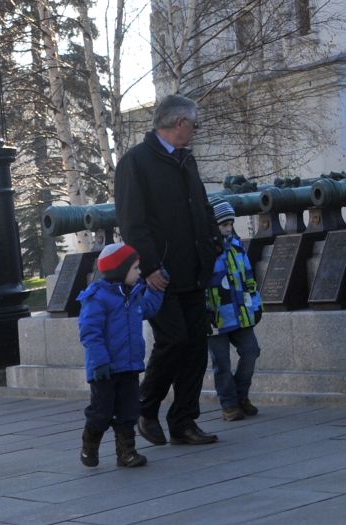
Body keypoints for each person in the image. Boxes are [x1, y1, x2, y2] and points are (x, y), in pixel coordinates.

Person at [113, 94, 222, 447]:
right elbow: (132, 223)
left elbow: (202, 208)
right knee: (173, 340)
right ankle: (146, 409)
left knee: (195, 347)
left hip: (194, 270)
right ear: (179, 124)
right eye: (194, 124)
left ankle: (184, 421)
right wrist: (149, 267)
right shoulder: (136, 162)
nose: (195, 130)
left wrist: (213, 245)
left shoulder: (186, 161)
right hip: (161, 274)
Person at [75, 242, 163, 469]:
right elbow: (90, 333)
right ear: (120, 271)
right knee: (101, 412)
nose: (140, 273)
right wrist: (100, 361)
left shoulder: (133, 295)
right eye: (135, 268)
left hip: (129, 366)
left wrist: (157, 289)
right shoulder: (97, 298)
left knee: (129, 410)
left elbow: (148, 309)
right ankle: (89, 444)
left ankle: (126, 452)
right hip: (104, 369)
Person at [206, 199, 263, 420]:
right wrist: (204, 311)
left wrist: (256, 306)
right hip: (215, 317)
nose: (228, 229)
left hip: (241, 313)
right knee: (221, 362)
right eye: (223, 225)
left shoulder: (237, 246)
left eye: (230, 224)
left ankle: (241, 395)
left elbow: (249, 279)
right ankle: (229, 404)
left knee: (251, 351)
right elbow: (200, 284)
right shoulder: (203, 251)